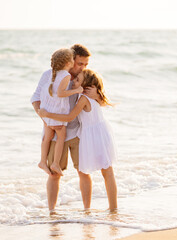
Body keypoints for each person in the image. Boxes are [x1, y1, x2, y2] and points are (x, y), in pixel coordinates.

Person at [31, 44, 99, 211]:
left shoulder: (85, 77)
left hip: (77, 131)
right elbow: (35, 99)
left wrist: (96, 95)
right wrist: (45, 119)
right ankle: (52, 212)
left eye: (86, 65)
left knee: (83, 171)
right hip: (55, 130)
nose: (82, 67)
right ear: (71, 60)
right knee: (54, 174)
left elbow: (98, 100)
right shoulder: (50, 75)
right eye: (80, 64)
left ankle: (87, 211)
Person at [38, 69, 118, 211]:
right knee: (107, 171)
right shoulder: (92, 97)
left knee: (106, 171)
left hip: (93, 135)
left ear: (85, 85)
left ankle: (112, 208)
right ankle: (113, 208)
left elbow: (69, 117)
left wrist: (47, 114)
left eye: (77, 80)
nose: (74, 81)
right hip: (100, 133)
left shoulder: (83, 98)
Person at [38, 48, 83, 176]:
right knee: (61, 137)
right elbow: (61, 93)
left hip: (48, 111)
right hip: (57, 113)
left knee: (47, 137)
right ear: (69, 62)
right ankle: (55, 163)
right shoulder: (66, 75)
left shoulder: (53, 73)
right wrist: (76, 91)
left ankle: (42, 161)